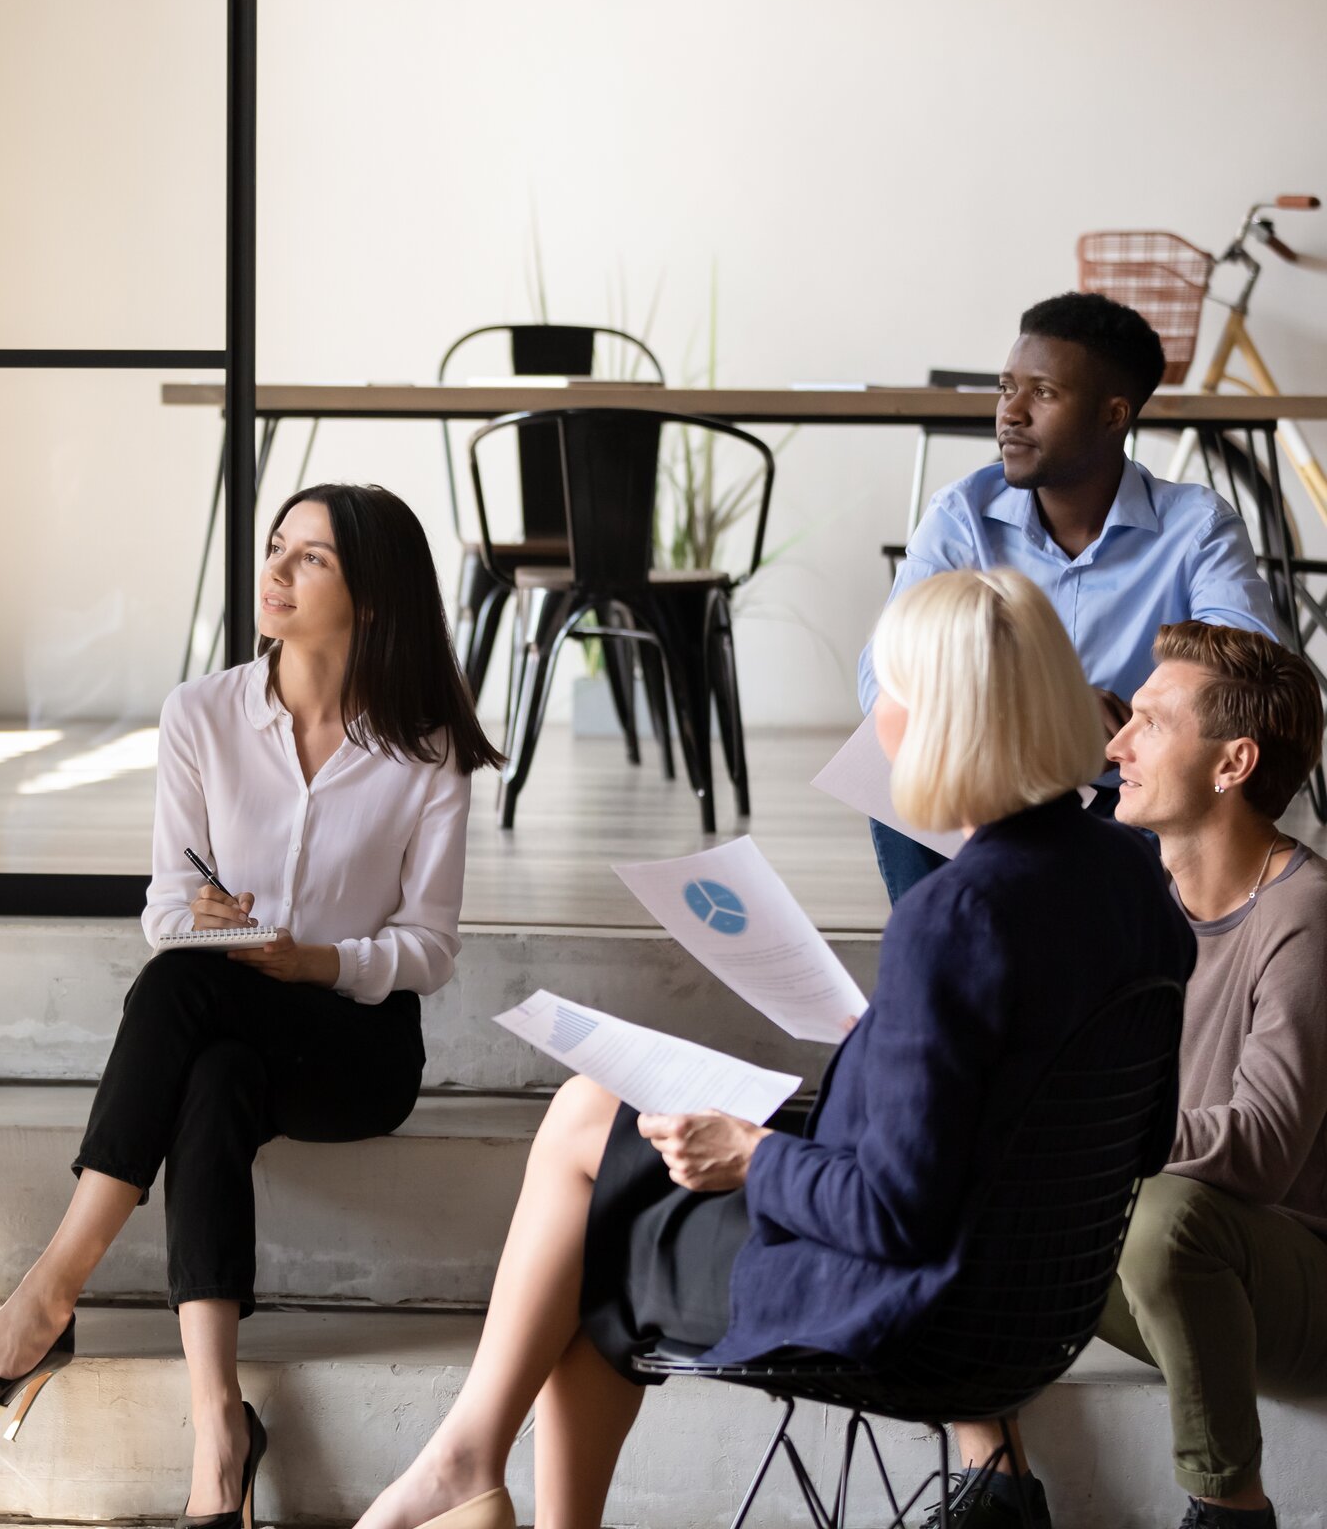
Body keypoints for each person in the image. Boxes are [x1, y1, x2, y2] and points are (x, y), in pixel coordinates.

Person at [349, 569, 1195, 1529]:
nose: (877, 719)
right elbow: (1141, 1137)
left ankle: (465, 1469)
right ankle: (465, 1470)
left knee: (597, 1237)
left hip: (908, 1311)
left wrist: (750, 1154)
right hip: (1040, 1308)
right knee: (594, 1112)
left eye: (891, 694)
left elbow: (896, 1213)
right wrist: (893, 1046)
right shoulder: (1135, 885)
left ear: (931, 722)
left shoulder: (955, 915)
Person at [0, 483, 499, 1526]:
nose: (272, 573)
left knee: (191, 997)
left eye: (309, 559)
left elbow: (430, 949)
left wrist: (311, 959)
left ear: (372, 598)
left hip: (356, 1044)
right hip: (226, 1012)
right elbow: (162, 911)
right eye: (275, 547)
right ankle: (218, 1433)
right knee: (212, 1058)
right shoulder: (202, 714)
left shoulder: (427, 750)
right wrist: (213, 920)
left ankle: (50, 1293)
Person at [939, 621, 1327, 1529]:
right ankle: (998, 1487)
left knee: (1163, 1219)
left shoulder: (1304, 917)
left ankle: (1230, 1508)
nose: (1114, 746)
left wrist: (1083, 1128)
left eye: (1148, 724)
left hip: (1290, 1274)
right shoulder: (1124, 894)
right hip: (1148, 1264)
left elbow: (1263, 1155)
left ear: (1232, 765)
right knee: (945, 1167)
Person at [860, 292, 1281, 902]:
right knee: (887, 765)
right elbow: (885, 676)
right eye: (1007, 388)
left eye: (1044, 393)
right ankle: (943, 964)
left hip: (1130, 797)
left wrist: (1132, 727)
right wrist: (1045, 716)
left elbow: (1249, 673)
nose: (1011, 414)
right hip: (993, 788)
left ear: (1114, 416)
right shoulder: (961, 516)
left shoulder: (1197, 527)